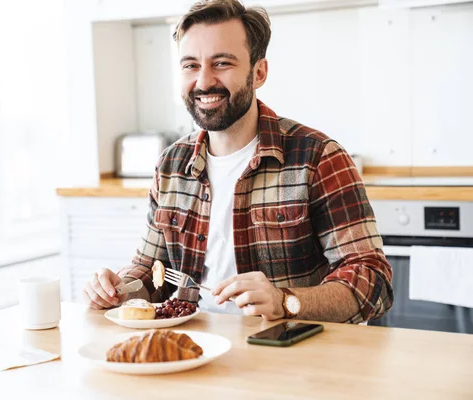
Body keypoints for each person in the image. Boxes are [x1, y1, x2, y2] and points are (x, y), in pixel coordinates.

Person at [83, 0, 393, 323]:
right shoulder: (171, 166)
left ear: (259, 73)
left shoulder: (318, 158)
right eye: (190, 65)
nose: (203, 82)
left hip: (289, 360)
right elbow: (150, 274)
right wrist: (118, 289)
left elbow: (374, 281)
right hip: (195, 353)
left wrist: (284, 301)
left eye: (222, 63)